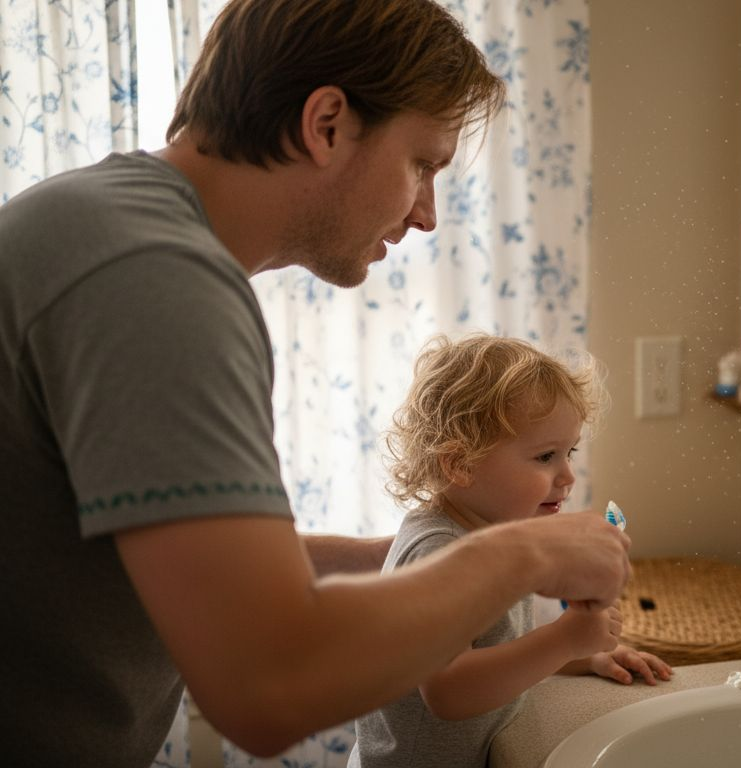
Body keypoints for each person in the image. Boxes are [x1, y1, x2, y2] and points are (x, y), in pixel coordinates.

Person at [0, 1, 630, 765]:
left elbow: (194, 560)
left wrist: (401, 555)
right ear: (326, 123)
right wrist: (528, 555)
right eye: (422, 164)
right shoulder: (155, 282)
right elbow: (268, 689)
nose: (427, 214)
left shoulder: (107, 226)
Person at [349, 334, 672, 767]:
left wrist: (584, 657)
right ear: (459, 463)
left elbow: (498, 656)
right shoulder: (440, 552)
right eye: (544, 457)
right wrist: (564, 638)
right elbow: (450, 690)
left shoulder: (498, 536)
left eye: (569, 452)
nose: (568, 476)